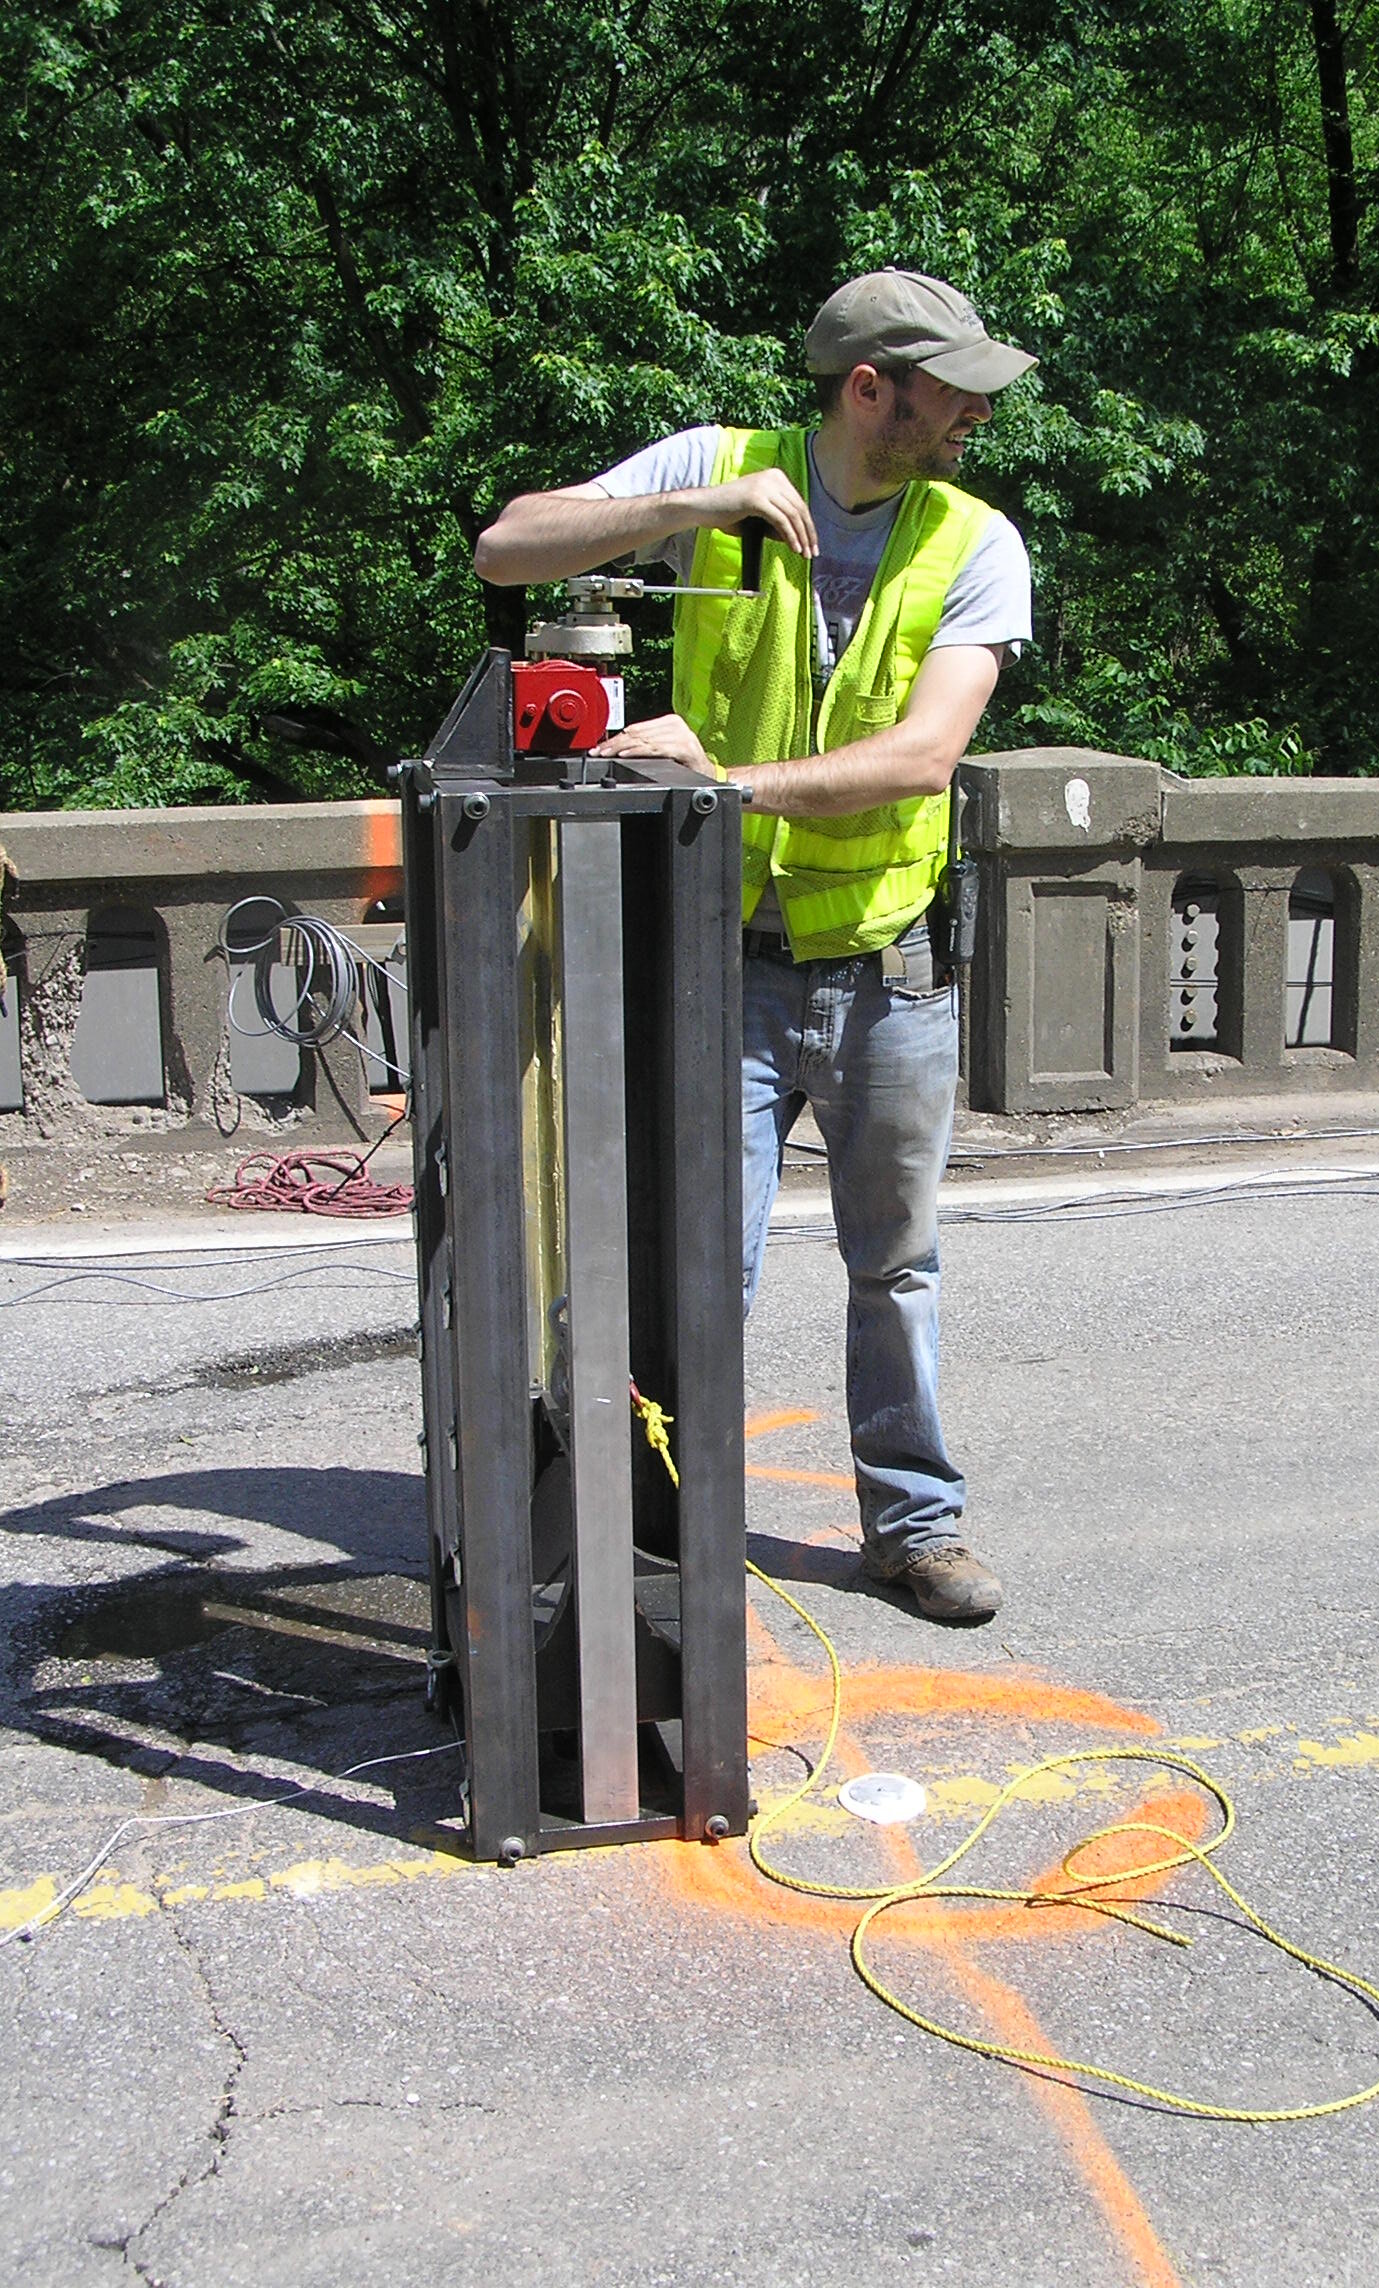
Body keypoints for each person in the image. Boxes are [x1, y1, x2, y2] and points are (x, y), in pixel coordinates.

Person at [474, 269, 1035, 1621]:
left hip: (890, 972)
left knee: (893, 1266)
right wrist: (687, 511)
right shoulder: (722, 469)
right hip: (717, 969)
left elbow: (920, 760)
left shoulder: (974, 541)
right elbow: (506, 549)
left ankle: (914, 1529)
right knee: (695, 1272)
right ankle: (668, 1533)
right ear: (868, 389)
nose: (974, 415)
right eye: (951, 390)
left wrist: (720, 786)